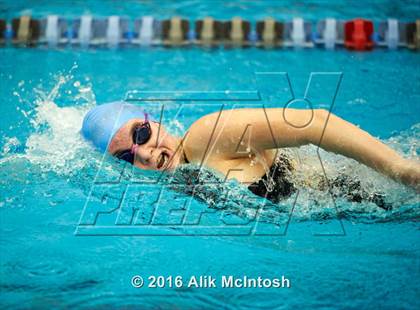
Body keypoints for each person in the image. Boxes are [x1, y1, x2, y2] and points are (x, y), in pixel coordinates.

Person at [81, 101, 420, 207]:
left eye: (141, 134)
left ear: (155, 120)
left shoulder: (204, 136)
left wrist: (400, 170)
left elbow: (313, 121)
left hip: (380, 198)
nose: (143, 154)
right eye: (127, 156)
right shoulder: (181, 177)